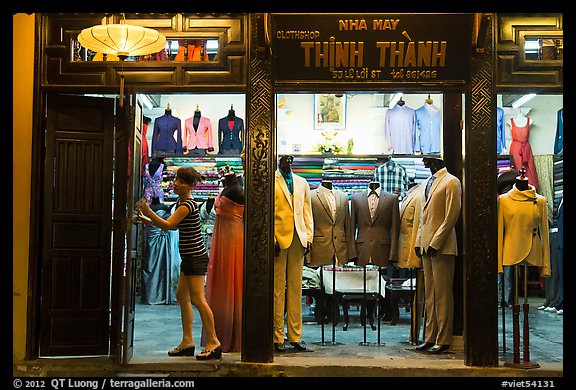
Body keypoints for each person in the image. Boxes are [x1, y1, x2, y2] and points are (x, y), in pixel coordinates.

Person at [135, 166, 222, 360]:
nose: (176, 183)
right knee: (182, 297)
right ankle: (187, 342)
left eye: (181, 182)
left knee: (198, 299)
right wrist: (147, 218)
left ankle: (214, 341)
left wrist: (148, 210)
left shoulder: (187, 205)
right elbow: (172, 226)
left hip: (195, 258)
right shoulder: (181, 201)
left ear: (190, 186)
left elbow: (169, 225)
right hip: (189, 257)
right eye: (176, 179)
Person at [414, 157, 462, 354]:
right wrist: (419, 241)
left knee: (442, 294)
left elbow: (452, 215)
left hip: (442, 246)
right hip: (426, 246)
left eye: (427, 159)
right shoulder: (426, 183)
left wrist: (436, 242)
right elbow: (422, 216)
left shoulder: (452, 181)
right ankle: (429, 336)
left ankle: (443, 339)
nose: (424, 162)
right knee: (430, 294)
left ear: (436, 161)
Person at [201, 168, 245, 352]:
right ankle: (218, 330)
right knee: (221, 280)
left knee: (231, 279)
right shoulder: (226, 187)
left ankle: (232, 332)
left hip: (233, 236)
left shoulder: (238, 190)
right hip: (221, 235)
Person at [274, 155, 313, 352]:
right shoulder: (271, 181)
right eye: (283, 159)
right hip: (279, 240)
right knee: (278, 290)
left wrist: (309, 236)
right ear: (278, 161)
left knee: (297, 289)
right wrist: (271, 239)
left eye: (290, 159)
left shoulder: (302, 182)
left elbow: (307, 211)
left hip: (298, 238)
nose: (287, 163)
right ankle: (277, 336)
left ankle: (295, 336)